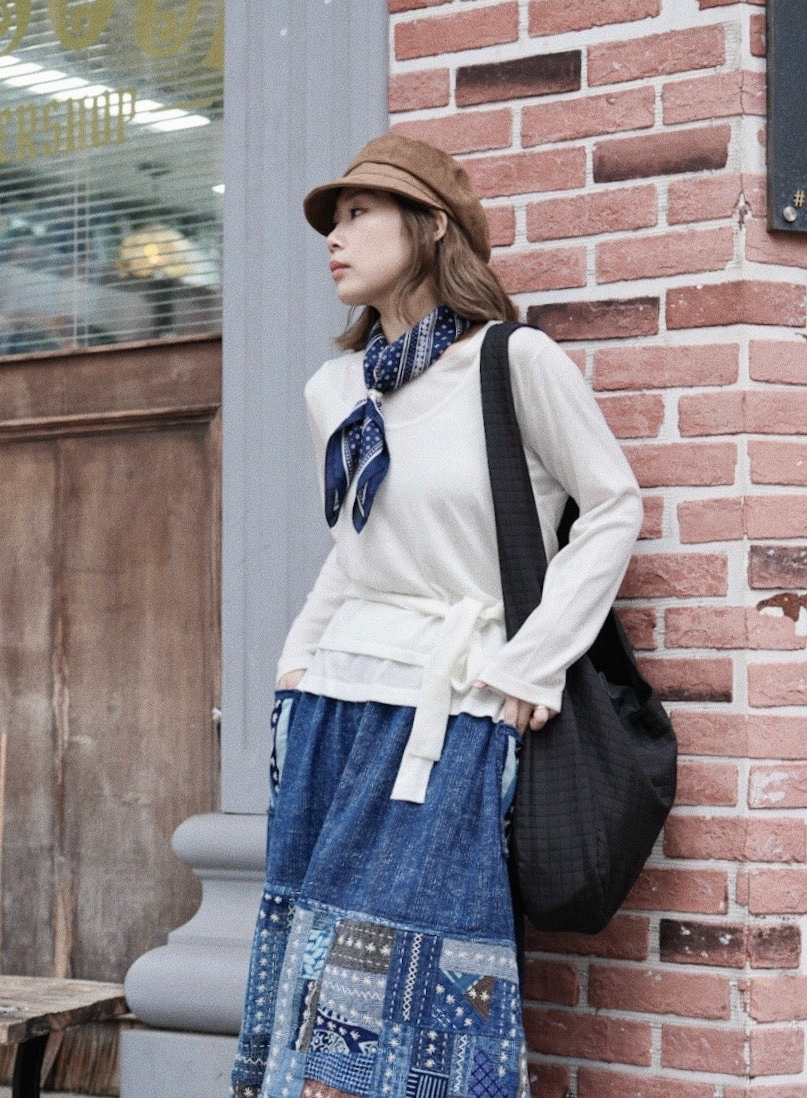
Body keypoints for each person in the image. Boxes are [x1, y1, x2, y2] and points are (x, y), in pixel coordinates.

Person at [231, 133, 643, 1098]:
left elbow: (612, 506)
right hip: (333, 702)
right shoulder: (334, 390)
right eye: (332, 221)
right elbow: (354, 548)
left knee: (398, 1013)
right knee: (313, 991)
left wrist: (533, 662)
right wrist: (295, 664)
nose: (335, 238)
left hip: (453, 706)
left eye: (359, 213)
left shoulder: (513, 362)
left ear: (432, 228)